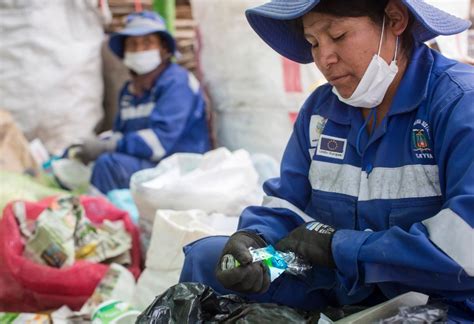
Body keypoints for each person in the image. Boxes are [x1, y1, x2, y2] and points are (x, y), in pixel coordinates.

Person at [179, 0, 474, 320]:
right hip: (334, 280)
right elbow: (288, 205)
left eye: (338, 36)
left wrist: (340, 246)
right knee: (209, 258)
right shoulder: (321, 111)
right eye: (313, 43)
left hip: (441, 297)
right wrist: (255, 240)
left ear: (394, 19)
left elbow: (466, 247)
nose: (324, 59)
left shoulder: (458, 103)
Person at [73, 11, 210, 193]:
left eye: (147, 43)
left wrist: (109, 146)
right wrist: (89, 146)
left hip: (179, 171)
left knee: (108, 166)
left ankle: (100, 218)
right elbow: (120, 134)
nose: (139, 50)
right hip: (148, 166)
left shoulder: (177, 82)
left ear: (164, 49)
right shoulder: (128, 91)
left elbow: (159, 143)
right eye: (132, 45)